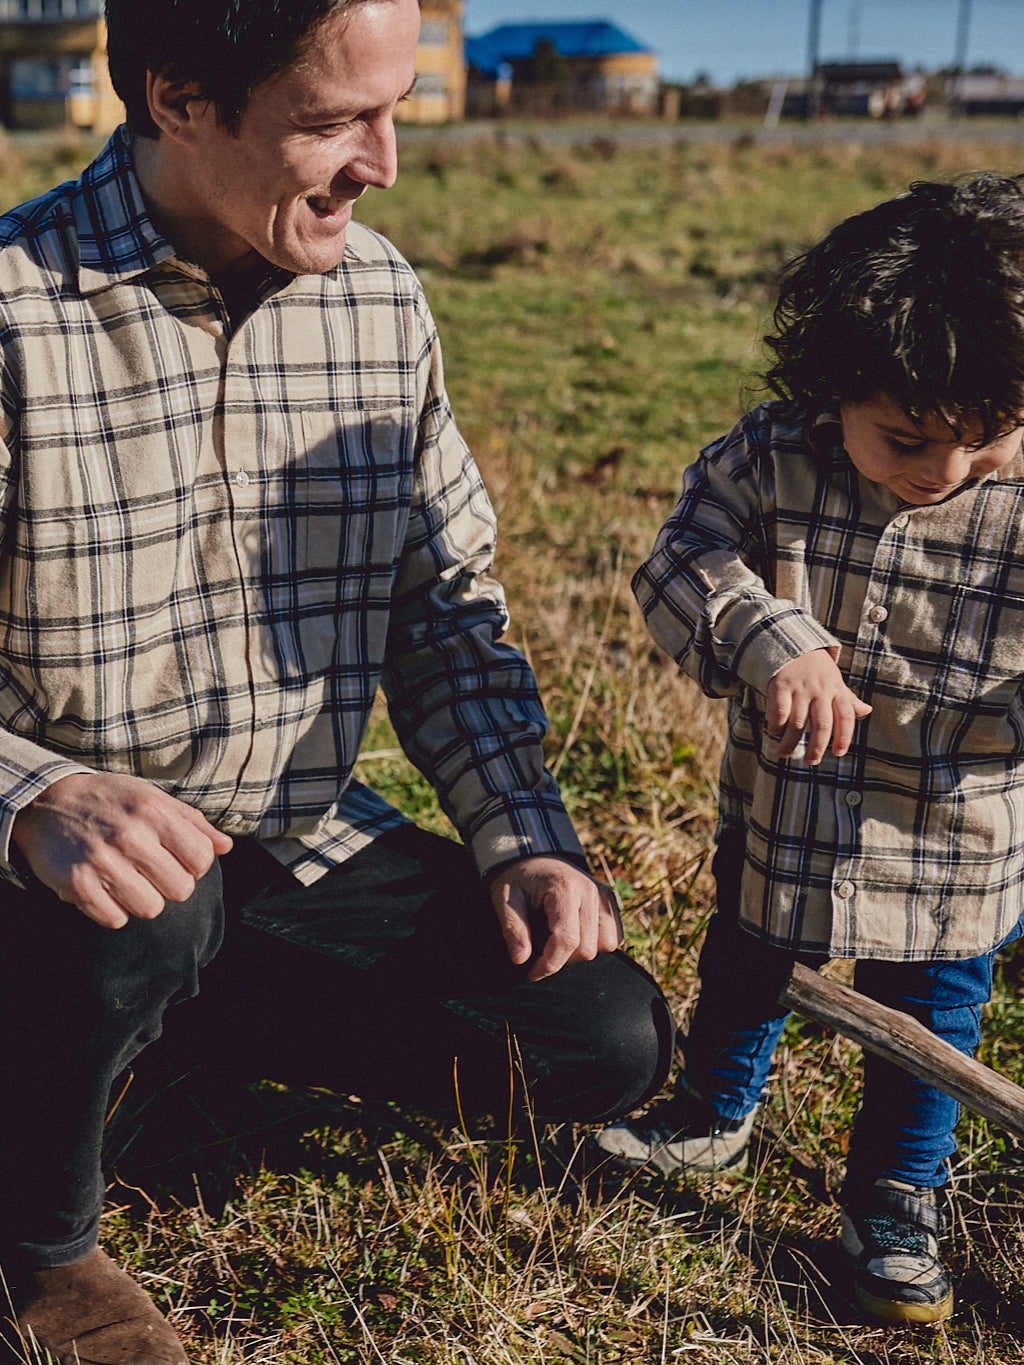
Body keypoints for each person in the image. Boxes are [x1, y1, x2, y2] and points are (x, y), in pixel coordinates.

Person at [0, 3, 674, 1361]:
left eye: (397, 110)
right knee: (146, 915)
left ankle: (135, 1058)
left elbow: (444, 614)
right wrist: (31, 794)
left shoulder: (381, 302)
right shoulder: (12, 308)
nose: (386, 161)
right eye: (334, 121)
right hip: (53, 877)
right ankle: (39, 1245)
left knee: (606, 1038)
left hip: (291, 845)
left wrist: (522, 832)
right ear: (181, 97)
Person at [594, 174, 1024, 1326]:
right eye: (906, 438)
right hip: (792, 801)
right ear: (837, 379)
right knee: (746, 954)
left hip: (957, 827)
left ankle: (893, 1192)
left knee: (931, 1013)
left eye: (985, 441)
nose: (943, 470)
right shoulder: (775, 454)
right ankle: (711, 1111)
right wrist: (773, 640)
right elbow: (683, 558)